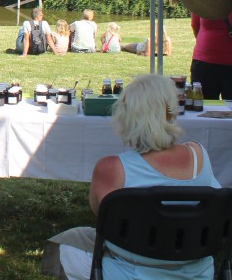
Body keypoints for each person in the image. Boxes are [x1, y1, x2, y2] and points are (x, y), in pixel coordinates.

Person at [42, 74, 220, 280]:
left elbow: (101, 215)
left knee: (68, 248)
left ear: (125, 118)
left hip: (130, 271)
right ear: (170, 112)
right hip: (195, 268)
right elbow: (216, 205)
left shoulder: (111, 169)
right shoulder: (198, 155)